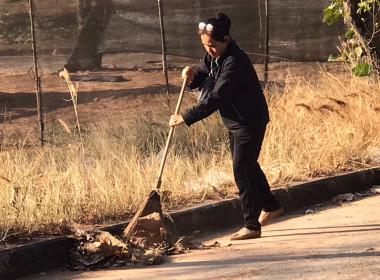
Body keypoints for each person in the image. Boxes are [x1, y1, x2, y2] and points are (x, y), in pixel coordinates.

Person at [169, 13, 283, 240]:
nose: (209, 50)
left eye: (212, 46)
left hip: (249, 121)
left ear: (226, 40)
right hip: (234, 121)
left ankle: (251, 225)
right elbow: (205, 72)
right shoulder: (215, 55)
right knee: (248, 165)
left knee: (241, 169)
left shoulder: (235, 62)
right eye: (205, 46)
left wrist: (186, 116)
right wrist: (192, 76)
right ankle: (270, 205)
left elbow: (216, 96)